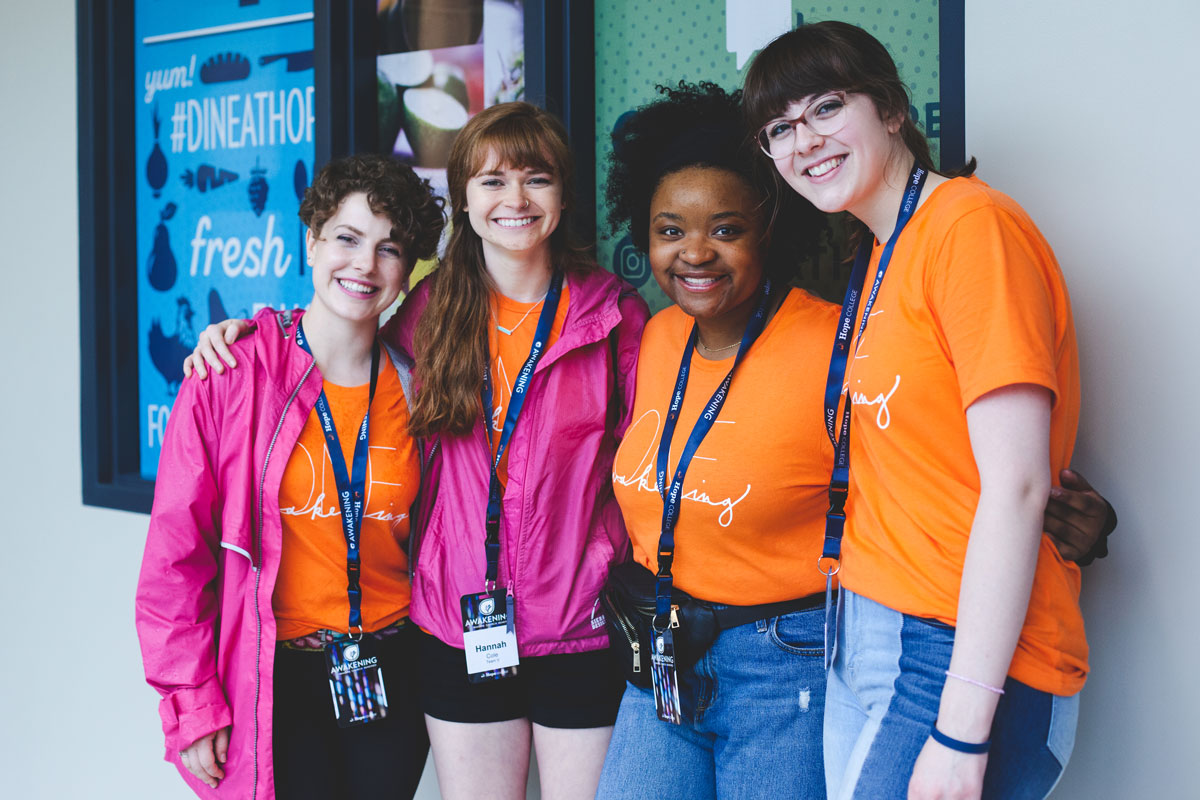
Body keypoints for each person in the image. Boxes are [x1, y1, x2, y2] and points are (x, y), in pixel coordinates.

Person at [595, 81, 1109, 800]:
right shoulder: (657, 339)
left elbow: (924, 461)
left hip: (783, 663)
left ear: (769, 230)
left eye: (727, 229)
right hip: (663, 657)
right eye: (670, 230)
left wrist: (1054, 513)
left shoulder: (832, 343)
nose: (696, 253)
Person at [184, 102, 650, 800]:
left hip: (575, 626)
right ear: (464, 197)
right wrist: (250, 332)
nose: (514, 200)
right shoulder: (429, 315)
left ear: (564, 195)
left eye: (536, 179)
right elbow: (340, 334)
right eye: (492, 181)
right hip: (456, 627)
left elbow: (649, 466)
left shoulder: (613, 316)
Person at [743, 22, 1086, 799]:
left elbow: (1019, 485)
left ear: (892, 108)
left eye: (827, 107)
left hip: (953, 645)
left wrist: (963, 729)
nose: (805, 141)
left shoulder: (969, 228)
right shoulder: (877, 254)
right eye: (779, 129)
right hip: (868, 625)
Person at [135, 154, 444, 799]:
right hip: (274, 677)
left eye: (389, 249)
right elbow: (174, 560)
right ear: (311, 240)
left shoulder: (422, 390)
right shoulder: (232, 375)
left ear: (407, 269)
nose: (364, 265)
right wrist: (192, 704)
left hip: (390, 673)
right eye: (347, 239)